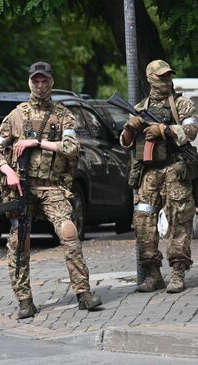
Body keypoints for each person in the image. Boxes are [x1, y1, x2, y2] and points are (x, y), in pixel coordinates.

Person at [0, 61, 102, 319]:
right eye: (36, 81)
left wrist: (38, 142)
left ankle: (83, 293)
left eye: (44, 81)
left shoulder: (63, 116)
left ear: (51, 82)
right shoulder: (16, 116)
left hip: (51, 187)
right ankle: (24, 300)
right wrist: (9, 171)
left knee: (69, 233)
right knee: (19, 242)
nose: (40, 85)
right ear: (30, 82)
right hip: (22, 189)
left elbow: (72, 147)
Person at [120, 60, 197, 293]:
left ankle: (177, 273)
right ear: (150, 77)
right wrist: (129, 128)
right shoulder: (140, 108)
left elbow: (192, 130)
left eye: (168, 76)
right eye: (161, 76)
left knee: (179, 221)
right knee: (143, 223)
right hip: (149, 174)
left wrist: (165, 130)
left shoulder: (182, 104)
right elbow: (125, 144)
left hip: (175, 168)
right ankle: (153, 274)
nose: (165, 80)